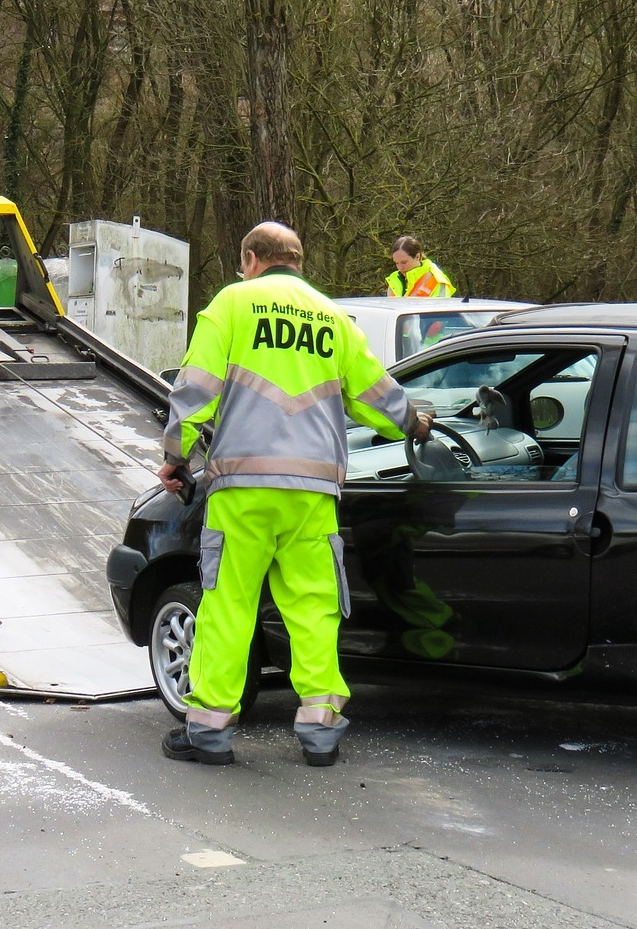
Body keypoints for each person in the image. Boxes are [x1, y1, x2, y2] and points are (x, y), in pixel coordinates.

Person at [158, 221, 432, 767]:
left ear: (252, 260)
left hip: (243, 487)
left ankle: (210, 730)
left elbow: (196, 391)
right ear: (298, 262)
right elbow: (375, 393)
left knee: (230, 604)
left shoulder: (232, 305)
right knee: (313, 608)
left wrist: (175, 456)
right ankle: (320, 731)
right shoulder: (334, 318)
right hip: (313, 490)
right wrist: (414, 423)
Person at [384, 235, 456, 298]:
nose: (400, 267)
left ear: (417, 257)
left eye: (404, 262)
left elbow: (440, 312)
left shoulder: (437, 280)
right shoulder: (394, 280)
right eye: (396, 263)